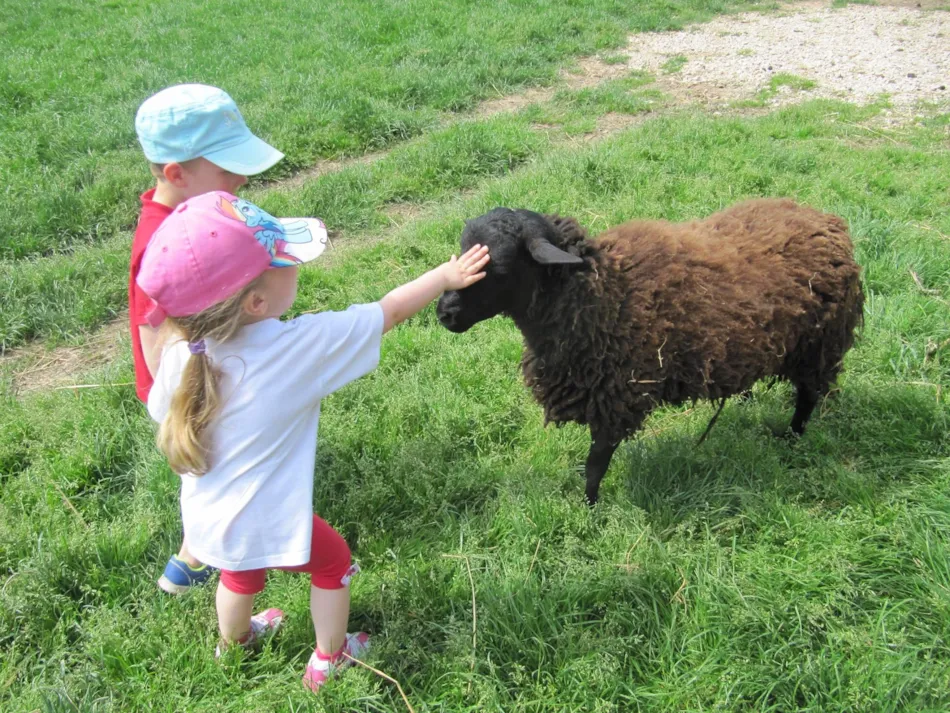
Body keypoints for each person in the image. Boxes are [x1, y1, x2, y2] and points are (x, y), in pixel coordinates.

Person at [137, 190, 489, 691]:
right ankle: (331, 657)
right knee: (334, 563)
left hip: (207, 521)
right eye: (284, 262)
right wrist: (445, 277)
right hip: (271, 519)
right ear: (256, 302)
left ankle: (234, 646)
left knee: (238, 573)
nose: (294, 268)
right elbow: (385, 313)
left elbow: (158, 405)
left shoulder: (184, 355)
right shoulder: (293, 349)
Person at [130, 84, 285, 593]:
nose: (242, 178)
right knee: (212, 475)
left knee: (209, 475)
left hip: (206, 373)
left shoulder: (190, 218)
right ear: (177, 173)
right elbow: (157, 337)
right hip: (193, 383)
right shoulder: (164, 242)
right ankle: (197, 560)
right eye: (227, 169)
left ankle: (193, 557)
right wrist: (180, 395)